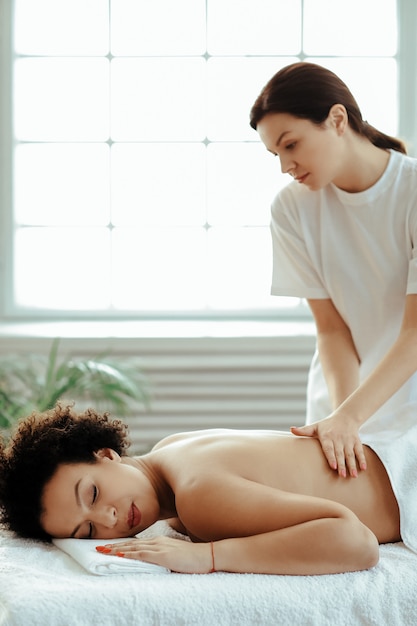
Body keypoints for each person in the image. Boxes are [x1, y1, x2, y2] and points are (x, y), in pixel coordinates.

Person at [0, 403, 411, 576]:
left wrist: (209, 556)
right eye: (87, 532)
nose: (106, 518)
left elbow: (356, 542)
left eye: (91, 494)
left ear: (106, 454)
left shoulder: (197, 498)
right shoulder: (171, 449)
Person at [249, 61, 417, 478]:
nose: (285, 166)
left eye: (291, 145)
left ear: (337, 119)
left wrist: (354, 417)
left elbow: (415, 331)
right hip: (340, 403)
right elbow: (331, 328)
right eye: (275, 154)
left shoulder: (411, 192)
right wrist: (344, 419)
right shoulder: (291, 208)